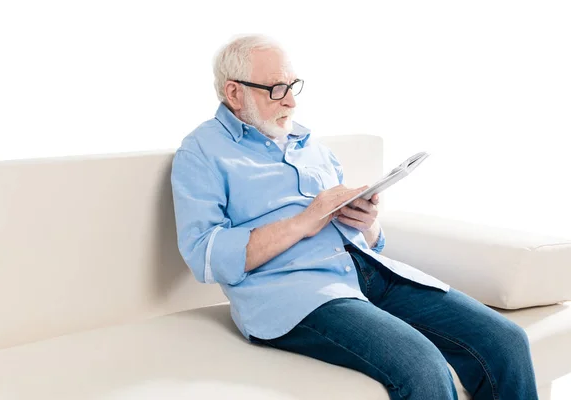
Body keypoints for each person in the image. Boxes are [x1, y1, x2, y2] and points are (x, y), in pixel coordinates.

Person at [170, 34, 539, 399]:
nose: (292, 100)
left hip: (368, 272)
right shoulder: (201, 152)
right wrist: (302, 222)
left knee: (505, 340)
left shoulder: (308, 145)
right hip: (298, 294)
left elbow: (370, 239)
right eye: (276, 89)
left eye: (293, 85)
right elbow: (204, 255)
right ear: (235, 93)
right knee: (422, 363)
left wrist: (367, 221)